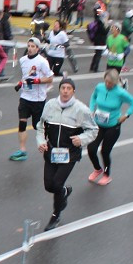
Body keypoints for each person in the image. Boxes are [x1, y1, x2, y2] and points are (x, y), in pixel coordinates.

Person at [37, 77, 98, 230]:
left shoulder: (81, 110)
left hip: (69, 154)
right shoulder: (50, 105)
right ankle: (64, 191)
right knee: (48, 186)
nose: (65, 91)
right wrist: (41, 142)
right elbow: (40, 126)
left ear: (73, 91)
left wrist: (82, 139)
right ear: (59, 90)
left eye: (68, 88)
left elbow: (93, 130)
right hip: (51, 151)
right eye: (63, 88)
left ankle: (55, 215)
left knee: (57, 183)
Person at [86, 69, 133, 186]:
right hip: (98, 124)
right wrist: (91, 109)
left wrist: (126, 115)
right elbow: (93, 97)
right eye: (107, 82)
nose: (108, 85)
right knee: (91, 149)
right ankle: (97, 169)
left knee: (105, 152)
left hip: (113, 127)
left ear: (115, 83)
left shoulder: (120, 92)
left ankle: (106, 175)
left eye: (111, 83)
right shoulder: (99, 87)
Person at [9, 37, 54, 161]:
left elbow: (50, 78)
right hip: (25, 97)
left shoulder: (42, 62)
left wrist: (36, 81)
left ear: (38, 49)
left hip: (38, 99)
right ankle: (23, 151)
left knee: (37, 126)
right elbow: (26, 76)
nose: (30, 48)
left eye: (33, 46)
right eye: (29, 46)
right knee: (22, 123)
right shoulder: (23, 60)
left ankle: (50, 144)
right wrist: (20, 83)